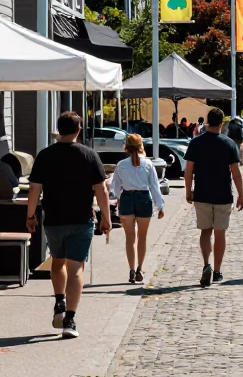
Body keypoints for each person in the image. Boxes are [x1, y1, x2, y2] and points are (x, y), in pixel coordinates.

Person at [26, 111, 110, 339]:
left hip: (53, 219)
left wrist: (30, 215)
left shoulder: (44, 155)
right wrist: (106, 217)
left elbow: (34, 188)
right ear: (79, 129)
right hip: (81, 219)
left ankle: (59, 301)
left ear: (58, 130)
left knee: (57, 261)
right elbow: (101, 189)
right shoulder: (89, 155)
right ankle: (70, 321)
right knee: (76, 270)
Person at [184, 106, 243, 287]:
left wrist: (188, 191)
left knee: (205, 231)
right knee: (220, 233)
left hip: (202, 193)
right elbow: (236, 173)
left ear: (207, 121)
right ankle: (217, 271)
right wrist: (241, 194)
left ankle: (206, 264)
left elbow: (189, 171)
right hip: (223, 195)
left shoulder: (196, 143)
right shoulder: (229, 144)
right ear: (222, 122)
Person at [110, 134, 165, 282]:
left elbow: (115, 187)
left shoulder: (121, 164)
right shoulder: (148, 164)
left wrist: (119, 197)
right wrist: (160, 206)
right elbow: (154, 186)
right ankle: (140, 268)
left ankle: (131, 269)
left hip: (127, 198)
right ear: (141, 146)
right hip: (144, 199)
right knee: (142, 237)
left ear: (126, 147)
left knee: (130, 238)